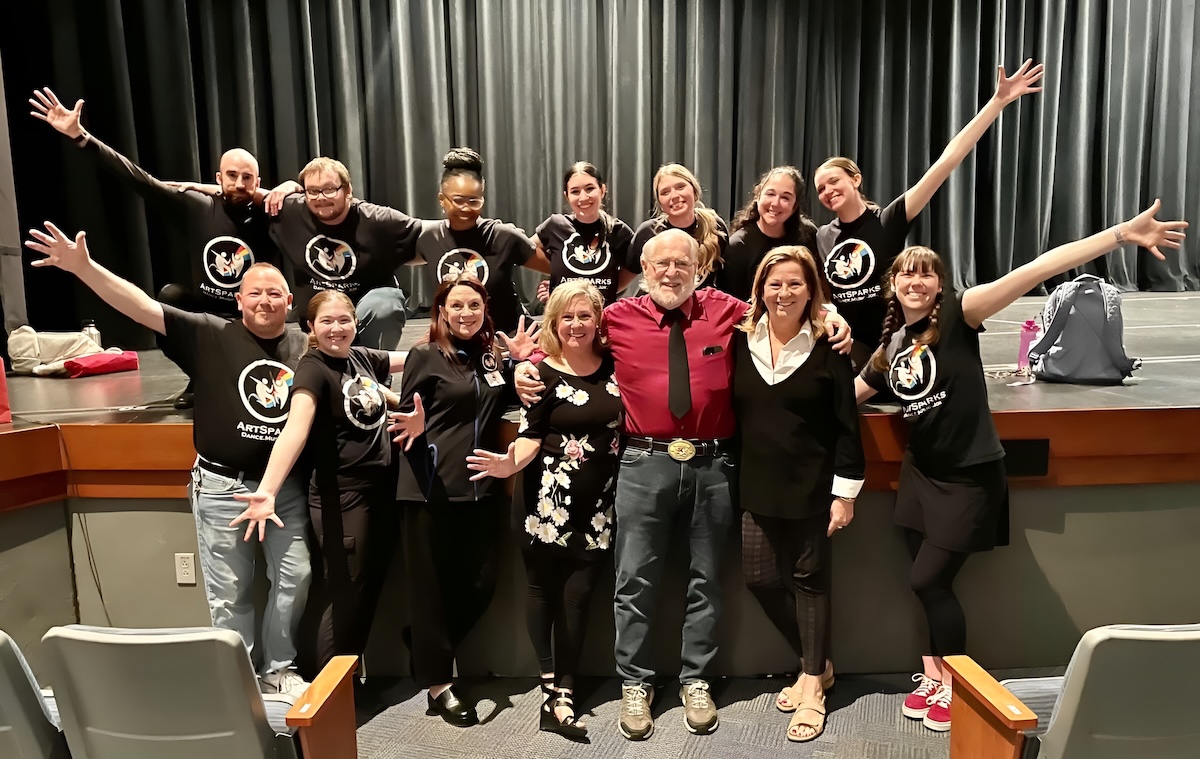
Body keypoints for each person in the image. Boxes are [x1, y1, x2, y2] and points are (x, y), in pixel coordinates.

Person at [854, 201, 1187, 732]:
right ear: (892, 285)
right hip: (920, 475)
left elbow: (1039, 267)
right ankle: (934, 674)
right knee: (931, 587)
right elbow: (853, 395)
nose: (916, 281)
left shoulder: (961, 317)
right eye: (906, 274)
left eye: (926, 273)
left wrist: (1120, 235)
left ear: (940, 284)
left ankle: (956, 685)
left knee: (926, 581)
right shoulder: (892, 343)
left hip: (968, 476)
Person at [516, 229, 852, 741]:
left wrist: (832, 318)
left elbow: (785, 308)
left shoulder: (729, 311)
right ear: (644, 269)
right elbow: (570, 342)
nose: (671, 272)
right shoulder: (616, 318)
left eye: (681, 262)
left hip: (714, 468)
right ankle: (636, 683)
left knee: (708, 581)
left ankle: (696, 678)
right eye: (660, 264)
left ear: (699, 265)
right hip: (642, 464)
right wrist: (526, 369)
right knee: (634, 582)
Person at [25, 223, 316, 697]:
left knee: (296, 575)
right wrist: (83, 268)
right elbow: (140, 305)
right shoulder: (207, 333)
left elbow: (368, 364)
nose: (266, 301)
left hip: (284, 488)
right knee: (229, 594)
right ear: (239, 300)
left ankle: (279, 667)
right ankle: (240, 681)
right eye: (255, 293)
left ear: (290, 302)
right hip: (223, 489)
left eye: (276, 293)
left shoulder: (306, 346)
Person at [30, 86, 279, 409]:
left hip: (252, 314)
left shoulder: (272, 213)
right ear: (219, 177)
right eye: (232, 175)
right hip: (204, 315)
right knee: (170, 297)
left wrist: (282, 189)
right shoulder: (196, 206)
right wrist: (81, 137)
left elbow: (307, 199)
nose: (240, 184)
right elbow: (138, 179)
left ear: (258, 184)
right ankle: (202, 377)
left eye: (248, 178)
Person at [231, 290, 423, 672]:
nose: (337, 329)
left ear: (355, 323)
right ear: (310, 327)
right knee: (341, 597)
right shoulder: (313, 368)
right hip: (342, 500)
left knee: (366, 591)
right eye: (327, 322)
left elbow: (419, 360)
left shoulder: (360, 358)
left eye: (344, 321)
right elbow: (296, 429)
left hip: (379, 493)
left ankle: (347, 681)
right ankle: (325, 696)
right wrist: (266, 490)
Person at [466, 281, 621, 741]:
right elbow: (531, 436)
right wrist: (506, 463)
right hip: (543, 504)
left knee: (579, 598)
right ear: (554, 322)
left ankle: (564, 689)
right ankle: (554, 686)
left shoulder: (616, 367)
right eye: (566, 317)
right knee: (540, 591)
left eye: (584, 316)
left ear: (598, 321)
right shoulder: (540, 375)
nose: (576, 325)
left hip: (597, 509)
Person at [814, 59, 1045, 369]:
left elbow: (946, 163)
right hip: (852, 348)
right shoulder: (823, 236)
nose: (827, 191)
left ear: (855, 179)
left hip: (894, 345)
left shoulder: (888, 220)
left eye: (833, 182)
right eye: (819, 189)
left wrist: (997, 102)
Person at [731, 247, 865, 742]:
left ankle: (812, 685)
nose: (783, 293)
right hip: (755, 484)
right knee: (760, 577)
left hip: (814, 486)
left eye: (794, 284)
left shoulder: (832, 346)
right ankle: (820, 662)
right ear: (760, 289)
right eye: (774, 284)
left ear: (812, 291)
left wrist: (845, 494)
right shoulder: (737, 340)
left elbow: (848, 427)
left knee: (810, 580)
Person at [396, 274, 540, 727]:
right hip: (430, 489)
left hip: (483, 488)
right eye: (456, 306)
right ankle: (438, 685)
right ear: (441, 310)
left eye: (473, 306)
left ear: (484, 311)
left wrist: (519, 362)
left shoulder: (488, 357)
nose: (465, 314)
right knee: (432, 590)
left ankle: (424, 647)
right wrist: (415, 429)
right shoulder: (425, 355)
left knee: (483, 584)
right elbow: (404, 416)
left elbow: (505, 394)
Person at [264, 157, 421, 350]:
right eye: (312, 191)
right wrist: (287, 187)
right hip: (318, 322)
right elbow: (239, 192)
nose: (321, 197)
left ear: (348, 191)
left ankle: (374, 368)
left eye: (329, 189)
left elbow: (432, 234)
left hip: (366, 314)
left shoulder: (378, 220)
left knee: (384, 306)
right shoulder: (291, 210)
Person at [416, 148, 546, 334]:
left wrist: (554, 287)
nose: (466, 208)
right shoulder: (429, 239)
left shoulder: (503, 236)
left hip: (509, 340)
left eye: (473, 201)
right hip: (457, 343)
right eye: (458, 200)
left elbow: (557, 267)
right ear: (441, 200)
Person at [529, 162, 637, 304]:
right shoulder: (555, 225)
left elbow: (627, 274)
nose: (583, 197)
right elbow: (525, 249)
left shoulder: (618, 231)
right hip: (562, 317)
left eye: (590, 188)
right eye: (575, 191)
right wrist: (556, 280)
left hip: (602, 316)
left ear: (602, 190)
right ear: (567, 196)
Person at [719, 166, 819, 302]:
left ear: (795, 206)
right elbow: (733, 303)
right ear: (758, 195)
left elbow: (817, 288)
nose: (775, 203)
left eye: (785, 198)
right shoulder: (739, 245)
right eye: (770, 194)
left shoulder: (808, 234)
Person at [625, 164, 728, 290]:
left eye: (680, 187)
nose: (674, 196)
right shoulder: (647, 232)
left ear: (695, 191)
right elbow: (624, 278)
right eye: (665, 192)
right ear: (660, 203)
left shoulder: (715, 226)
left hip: (701, 306)